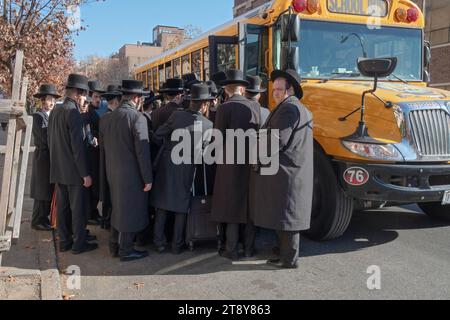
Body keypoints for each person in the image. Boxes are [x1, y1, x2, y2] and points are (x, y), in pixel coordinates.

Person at [249, 69, 313, 269]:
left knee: (288, 217)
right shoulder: (291, 107)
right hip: (288, 172)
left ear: (290, 89)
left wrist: (256, 158)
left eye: (279, 89)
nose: (275, 92)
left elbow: (278, 139)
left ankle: (289, 259)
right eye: (274, 88)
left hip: (287, 173)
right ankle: (283, 254)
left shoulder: (289, 109)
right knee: (283, 215)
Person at [150, 83, 214, 255]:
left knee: (162, 205)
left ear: (191, 101)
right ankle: (177, 245)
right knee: (181, 207)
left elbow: (158, 135)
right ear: (204, 104)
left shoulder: (176, 116)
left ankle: (158, 242)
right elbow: (204, 155)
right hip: (187, 168)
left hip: (167, 165)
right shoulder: (208, 125)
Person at [210, 69, 262, 261]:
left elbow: (217, 139)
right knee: (248, 206)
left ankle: (231, 249)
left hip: (229, 164)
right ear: (242, 88)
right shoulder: (254, 107)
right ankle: (249, 248)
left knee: (231, 206)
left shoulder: (224, 108)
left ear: (227, 89)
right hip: (250, 162)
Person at [101, 80, 153, 262]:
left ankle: (114, 245)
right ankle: (126, 249)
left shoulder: (108, 117)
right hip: (131, 175)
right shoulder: (137, 118)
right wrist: (148, 178)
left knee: (117, 209)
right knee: (129, 212)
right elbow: (142, 152)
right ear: (137, 98)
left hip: (112, 172)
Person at [48, 74, 97, 255]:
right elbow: (78, 147)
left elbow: (51, 140)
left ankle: (65, 241)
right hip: (74, 171)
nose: (86, 98)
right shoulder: (72, 112)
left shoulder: (56, 110)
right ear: (78, 93)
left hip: (59, 169)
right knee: (77, 210)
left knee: (62, 208)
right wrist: (85, 173)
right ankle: (79, 243)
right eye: (85, 94)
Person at [30, 84, 60, 231]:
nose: (52, 102)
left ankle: (43, 218)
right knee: (42, 190)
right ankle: (37, 220)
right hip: (43, 157)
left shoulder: (51, 116)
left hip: (50, 157)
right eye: (49, 99)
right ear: (42, 100)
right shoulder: (38, 116)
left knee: (47, 189)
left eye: (53, 100)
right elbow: (44, 137)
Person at [98, 85, 122, 230]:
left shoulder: (104, 118)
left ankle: (106, 221)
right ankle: (109, 221)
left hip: (106, 160)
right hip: (114, 161)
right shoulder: (112, 117)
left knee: (107, 193)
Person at [85, 80, 106, 226]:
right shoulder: (87, 113)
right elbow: (88, 132)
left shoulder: (92, 112)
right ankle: (90, 213)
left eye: (100, 97)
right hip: (91, 156)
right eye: (96, 97)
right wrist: (93, 140)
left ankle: (92, 212)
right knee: (92, 189)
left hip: (94, 156)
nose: (98, 100)